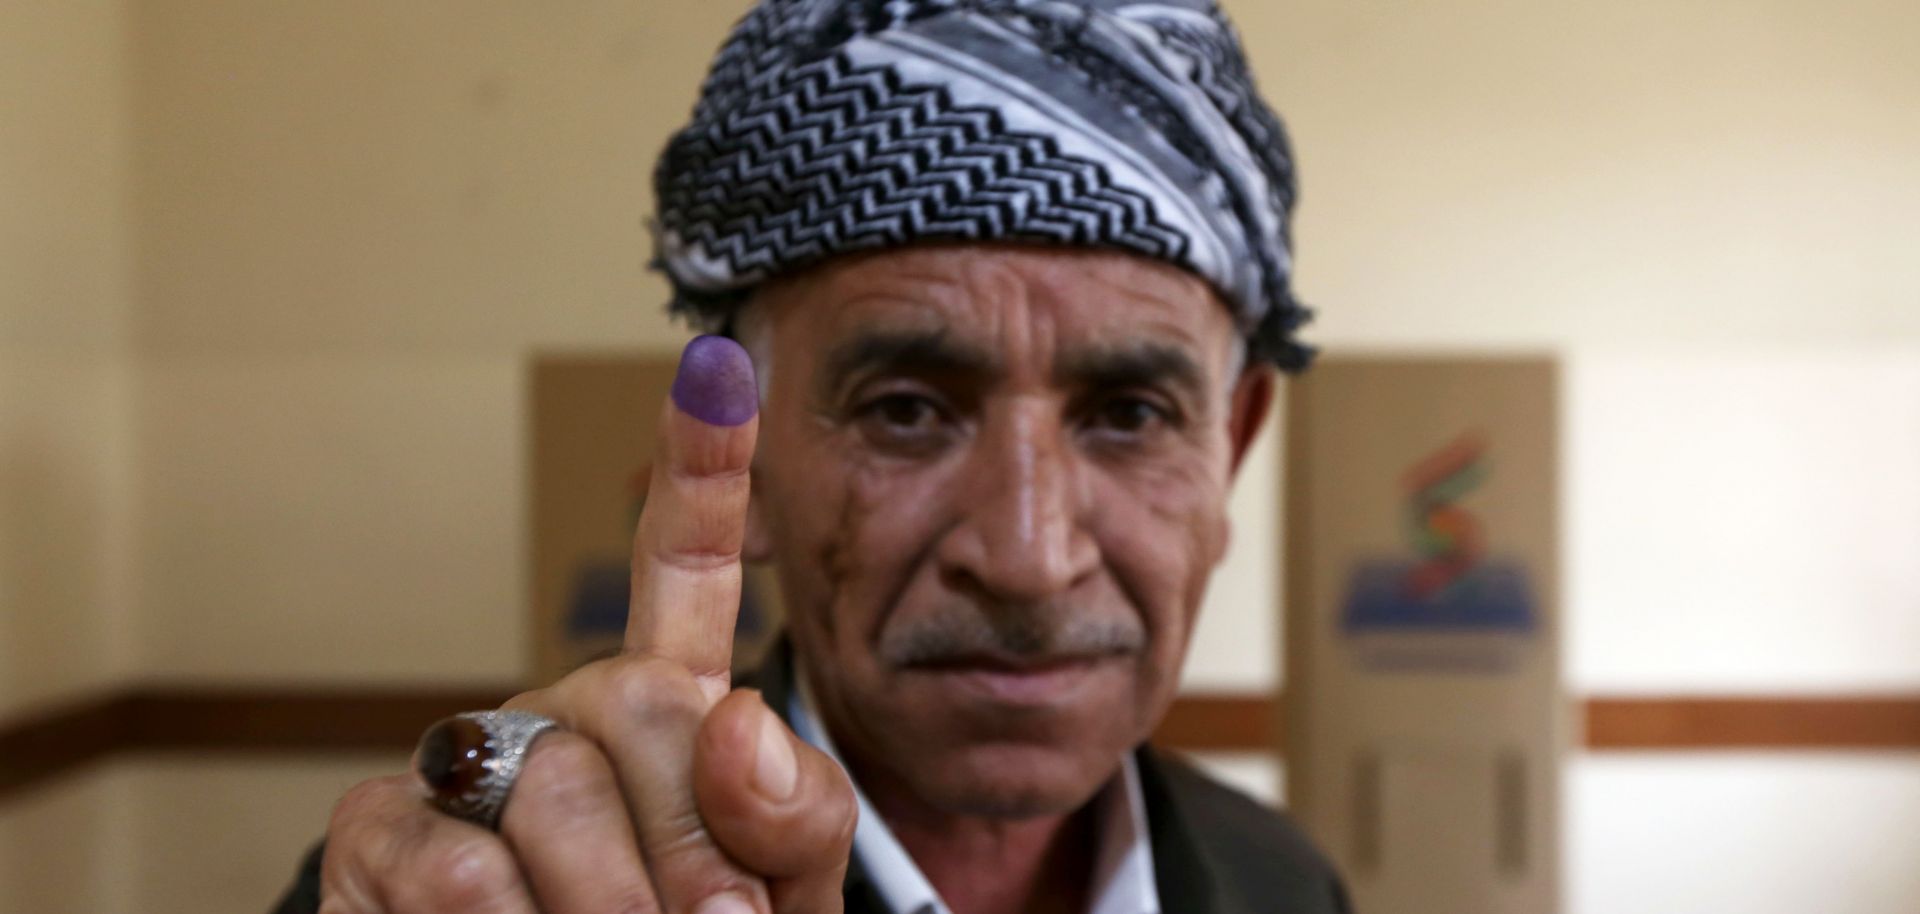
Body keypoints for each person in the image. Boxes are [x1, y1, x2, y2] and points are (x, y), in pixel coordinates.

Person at [276, 0, 1345, 911]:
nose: (1028, 556)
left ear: (1233, 442)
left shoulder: (1282, 881)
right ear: (751, 466)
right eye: (908, 410)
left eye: (1129, 413)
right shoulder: (484, 892)